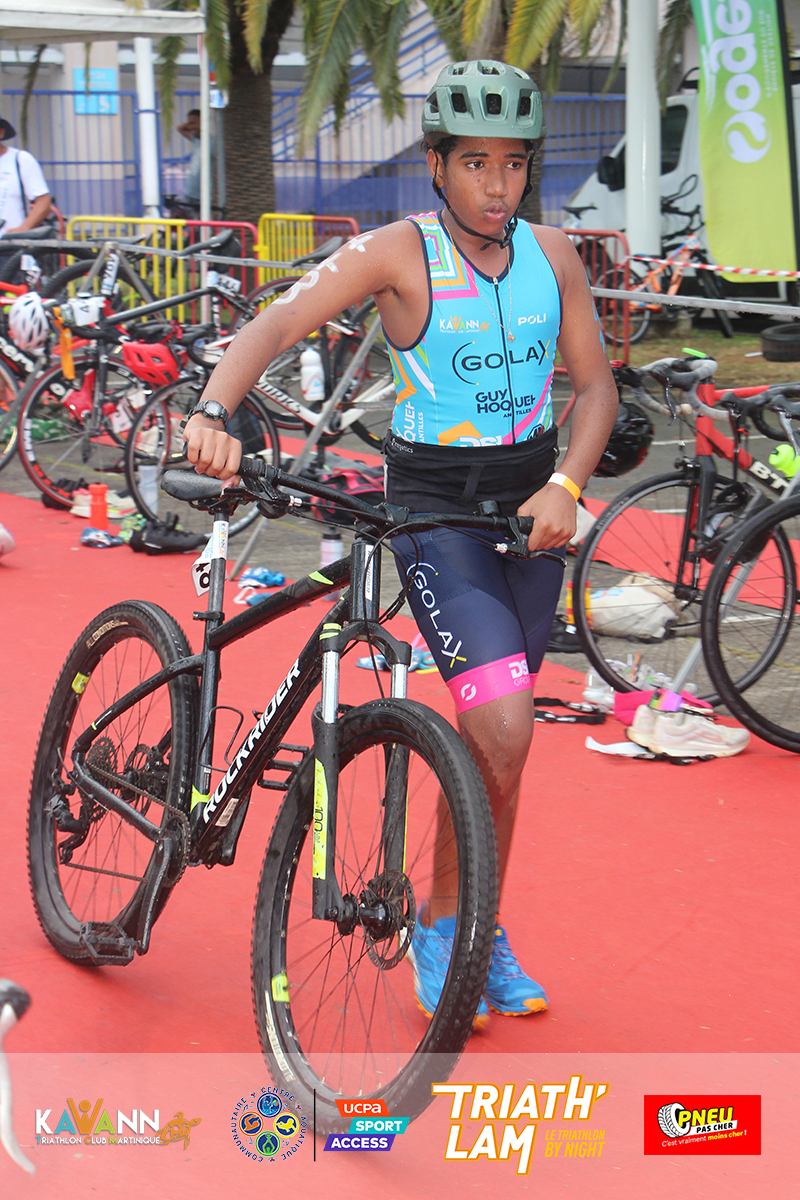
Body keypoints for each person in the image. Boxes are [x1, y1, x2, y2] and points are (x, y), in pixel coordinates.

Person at [182, 60, 619, 1027]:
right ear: (435, 163)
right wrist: (213, 410)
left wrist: (567, 486)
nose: (497, 186)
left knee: (500, 749)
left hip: (532, 516)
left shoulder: (553, 255)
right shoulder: (397, 252)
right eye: (475, 163)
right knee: (504, 726)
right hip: (434, 516)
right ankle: (446, 932)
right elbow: (277, 321)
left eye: (513, 164)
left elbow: (596, 388)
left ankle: (469, 925)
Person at [0, 118, 51, 236]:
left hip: (11, 243)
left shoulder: (20, 159)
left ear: (1, 132)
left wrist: (23, 229)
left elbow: (43, 202)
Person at [176, 108, 214, 216]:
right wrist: (190, 124)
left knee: (202, 223)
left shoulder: (212, 142)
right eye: (189, 124)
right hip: (189, 193)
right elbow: (180, 128)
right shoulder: (196, 140)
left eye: (193, 123)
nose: (190, 127)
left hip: (202, 196)